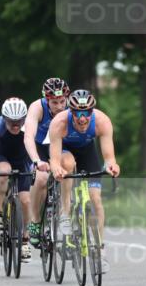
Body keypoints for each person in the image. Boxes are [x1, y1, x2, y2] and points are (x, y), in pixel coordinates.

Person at [48, 89, 121, 272]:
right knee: (67, 163)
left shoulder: (102, 122)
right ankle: (65, 211)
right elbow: (55, 160)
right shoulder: (59, 123)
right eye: (78, 113)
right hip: (65, 151)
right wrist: (56, 169)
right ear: (70, 112)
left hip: (88, 153)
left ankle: (100, 250)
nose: (82, 118)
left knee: (96, 200)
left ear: (92, 112)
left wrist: (112, 165)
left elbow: (109, 156)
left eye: (86, 113)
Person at [23, 77, 70, 248]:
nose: (59, 106)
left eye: (62, 101)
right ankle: (35, 221)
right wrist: (36, 160)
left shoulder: (71, 108)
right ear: (46, 99)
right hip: (39, 148)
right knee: (41, 178)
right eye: (54, 102)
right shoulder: (37, 107)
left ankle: (68, 211)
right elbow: (28, 137)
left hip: (60, 147)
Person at [0, 97, 33, 261]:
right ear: (4, 118)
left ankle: (25, 239)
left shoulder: (29, 125)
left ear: (24, 118)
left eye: (19, 121)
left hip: (22, 161)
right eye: (11, 121)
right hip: (1, 157)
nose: (15, 125)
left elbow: (36, 149)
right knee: (4, 171)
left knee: (26, 201)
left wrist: (35, 167)